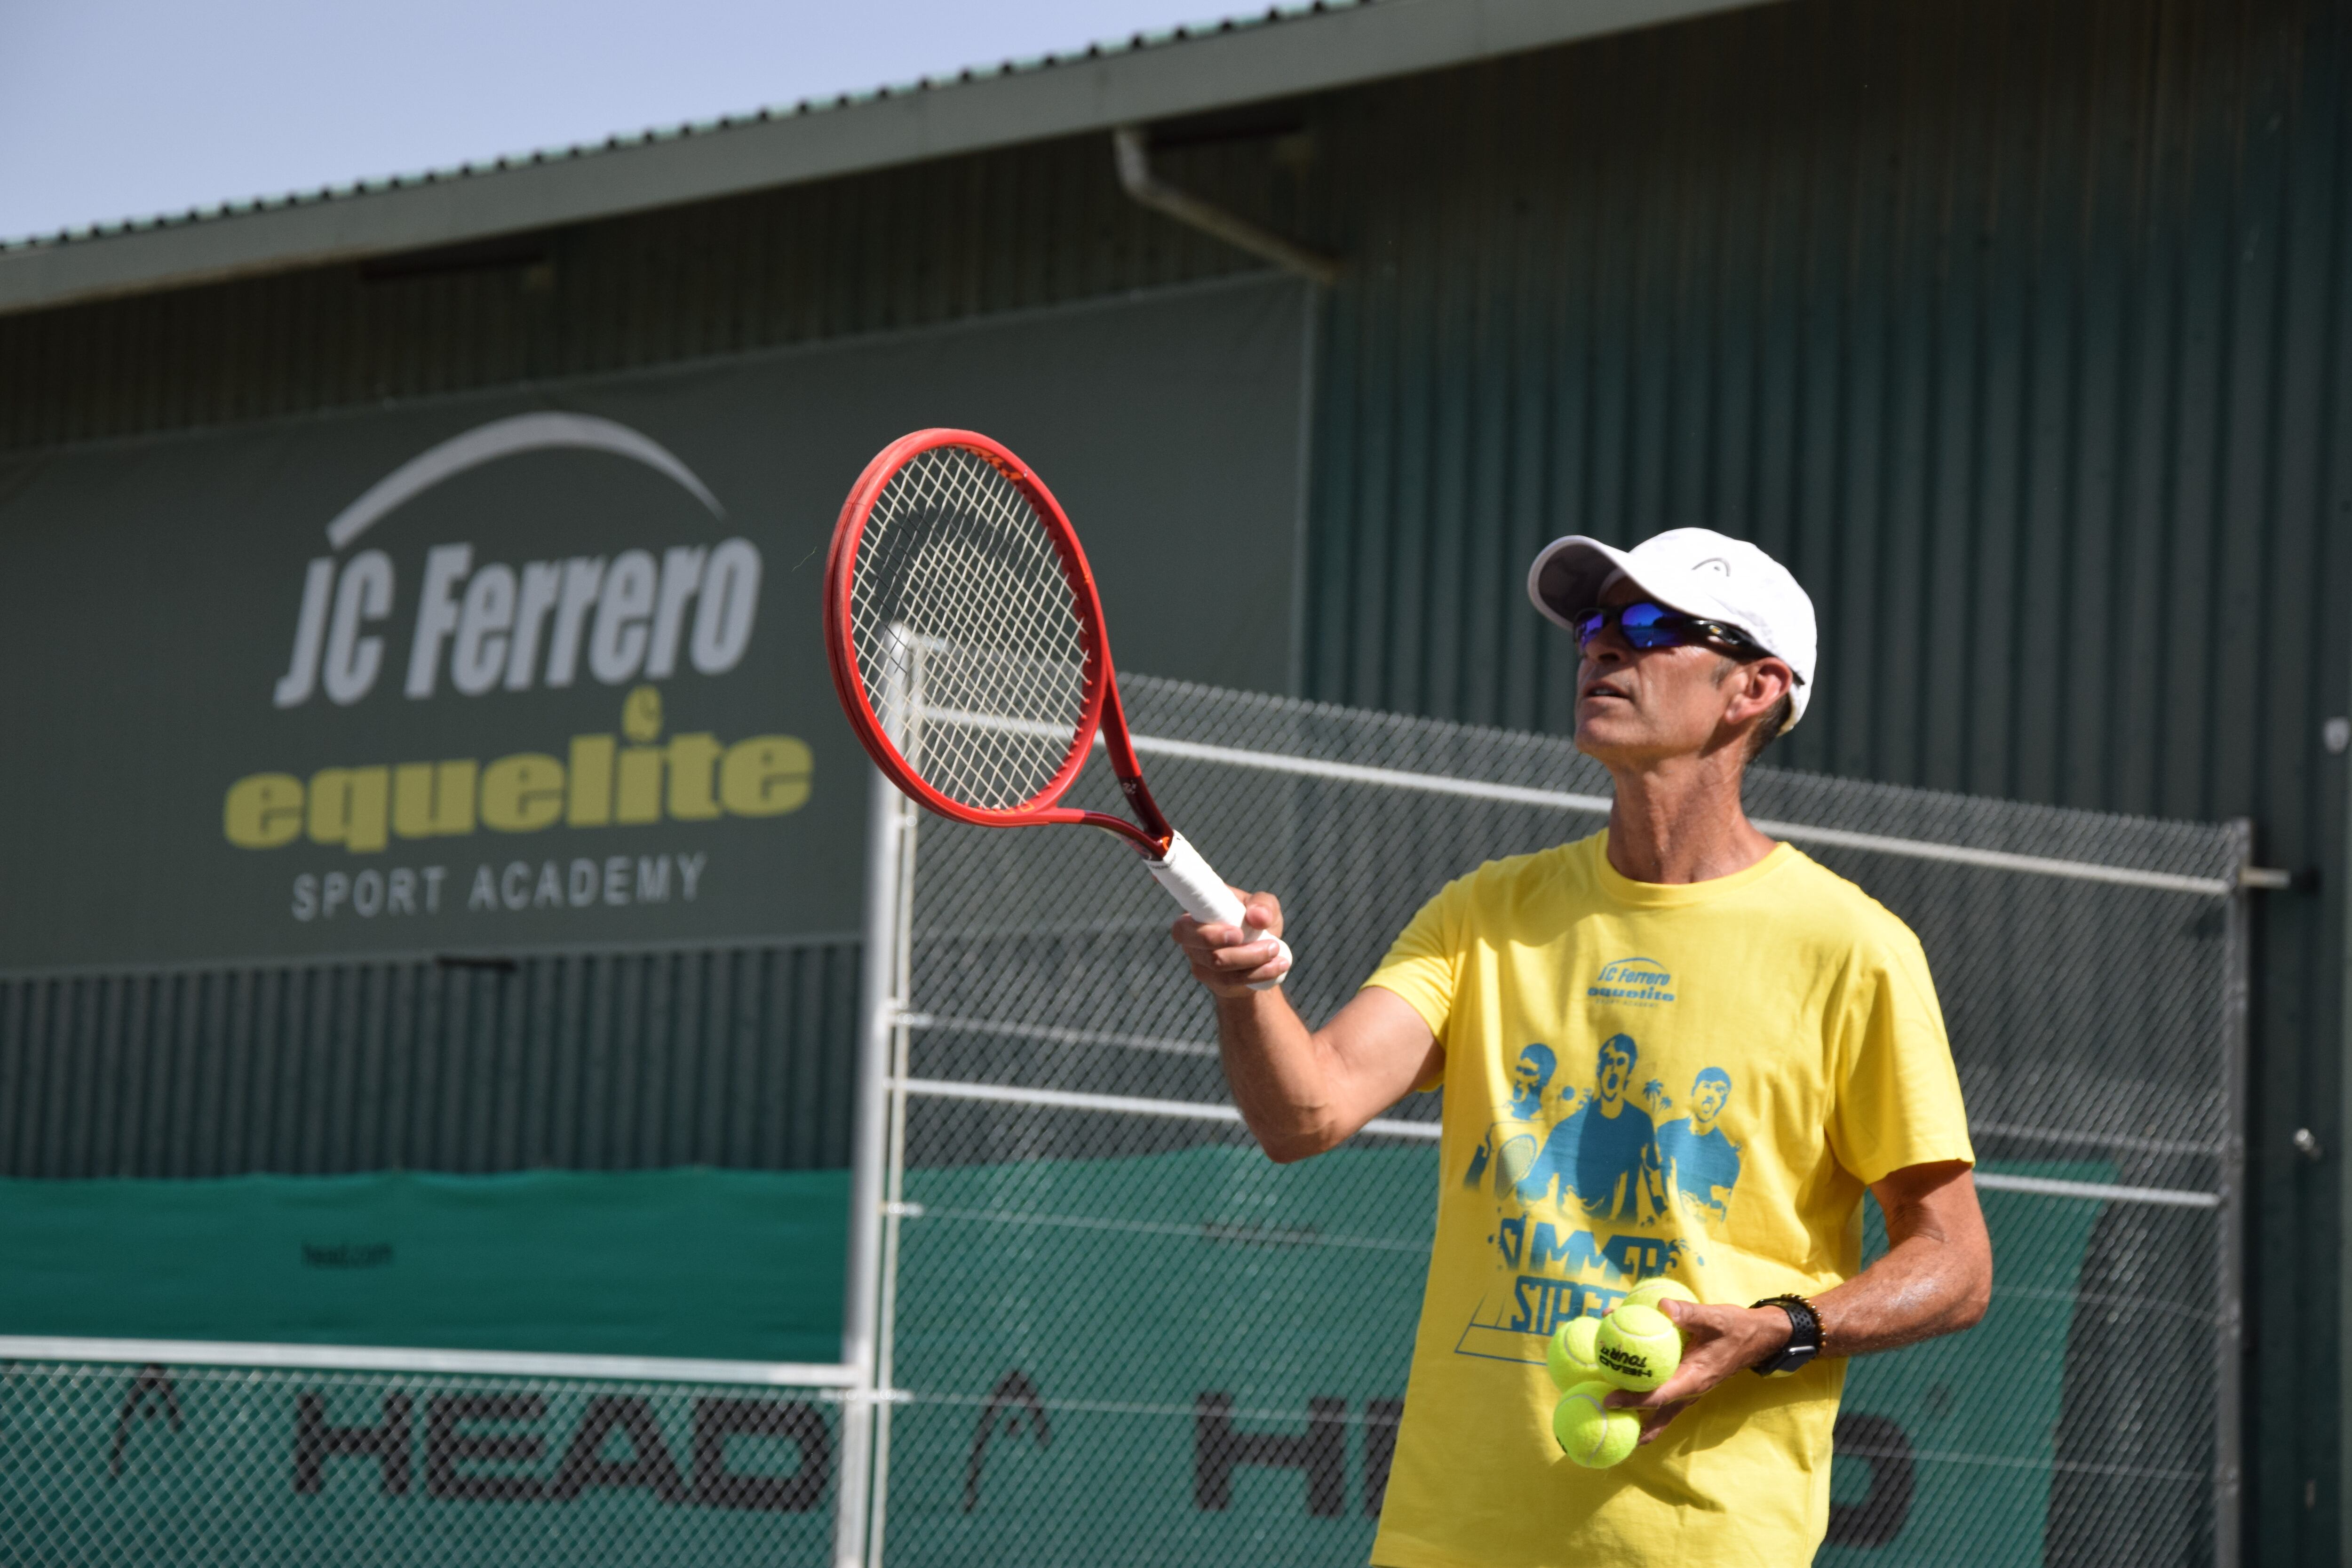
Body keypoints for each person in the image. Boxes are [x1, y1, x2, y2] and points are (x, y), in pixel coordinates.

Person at [1170, 527, 1992, 1568]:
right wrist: (1250, 989)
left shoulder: (1854, 949)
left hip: (1700, 1543)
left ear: (1755, 688)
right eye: (1594, 628)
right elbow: (1306, 1112)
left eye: (1648, 626)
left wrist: (1777, 1328)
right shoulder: (1485, 910)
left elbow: (1954, 1263)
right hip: (1448, 1535)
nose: (1603, 649)